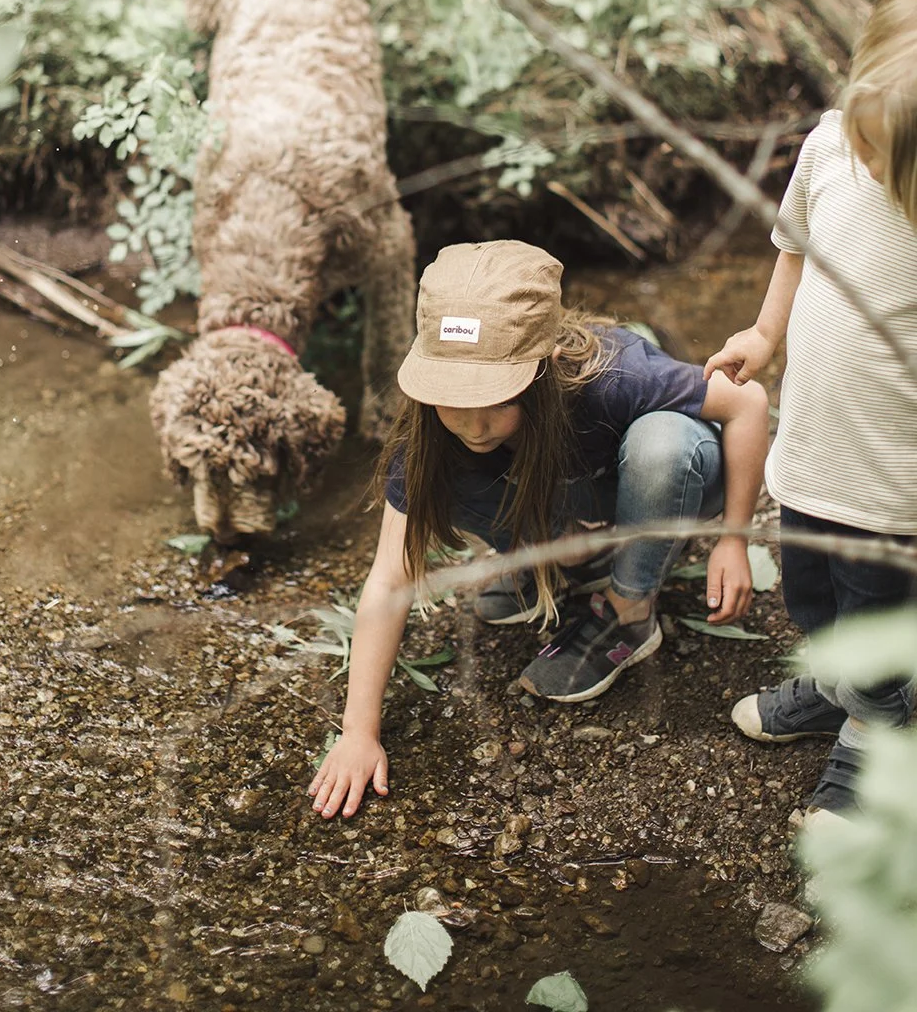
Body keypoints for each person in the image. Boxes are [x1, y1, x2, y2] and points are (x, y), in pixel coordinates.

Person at [309, 238, 769, 819]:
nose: (473, 424)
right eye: (453, 400)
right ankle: (563, 565)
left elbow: (748, 403)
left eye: (493, 399)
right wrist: (358, 731)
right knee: (451, 467)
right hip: (560, 494)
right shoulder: (429, 430)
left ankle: (628, 607)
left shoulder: (614, 373)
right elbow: (388, 579)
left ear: (542, 370)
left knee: (664, 443)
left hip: (653, 478)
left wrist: (735, 538)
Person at [703, 0, 917, 828]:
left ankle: (879, 727)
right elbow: (794, 245)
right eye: (864, 132)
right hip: (814, 453)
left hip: (894, 483)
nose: (864, 157)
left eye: (888, 153)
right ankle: (843, 685)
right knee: (812, 595)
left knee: (875, 614)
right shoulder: (831, 143)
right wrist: (764, 332)